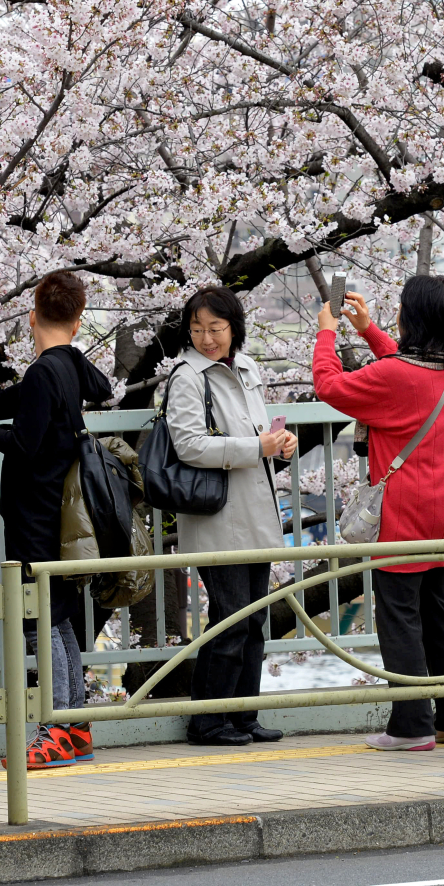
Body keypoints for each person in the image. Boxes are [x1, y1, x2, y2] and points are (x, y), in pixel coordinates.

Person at [0, 270, 114, 767]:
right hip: (58, 518)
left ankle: (55, 729)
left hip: (36, 517)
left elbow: (21, 442)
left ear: (30, 318)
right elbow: (12, 400)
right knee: (57, 619)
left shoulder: (46, 372)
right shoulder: (65, 366)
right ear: (78, 320)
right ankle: (74, 725)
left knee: (40, 623)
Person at [313, 275, 444, 752]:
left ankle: (412, 725)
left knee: (400, 614)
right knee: (439, 612)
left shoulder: (397, 376)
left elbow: (329, 385)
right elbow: (404, 369)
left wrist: (328, 332)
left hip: (404, 506)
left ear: (414, 317)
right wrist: (369, 330)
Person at [163, 285, 297, 746]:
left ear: (234, 328)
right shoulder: (187, 376)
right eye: (197, 329)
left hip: (255, 511)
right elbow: (189, 446)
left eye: (215, 329)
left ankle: (243, 714)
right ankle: (209, 719)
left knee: (254, 619)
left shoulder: (247, 369)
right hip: (217, 517)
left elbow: (259, 433)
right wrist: (254, 448)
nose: (206, 338)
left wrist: (279, 445)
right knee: (230, 619)